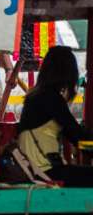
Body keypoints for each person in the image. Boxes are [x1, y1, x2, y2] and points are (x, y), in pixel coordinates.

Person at [17, 46, 93, 186]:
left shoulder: (38, 96)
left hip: (36, 169)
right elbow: (79, 139)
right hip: (45, 172)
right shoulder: (51, 99)